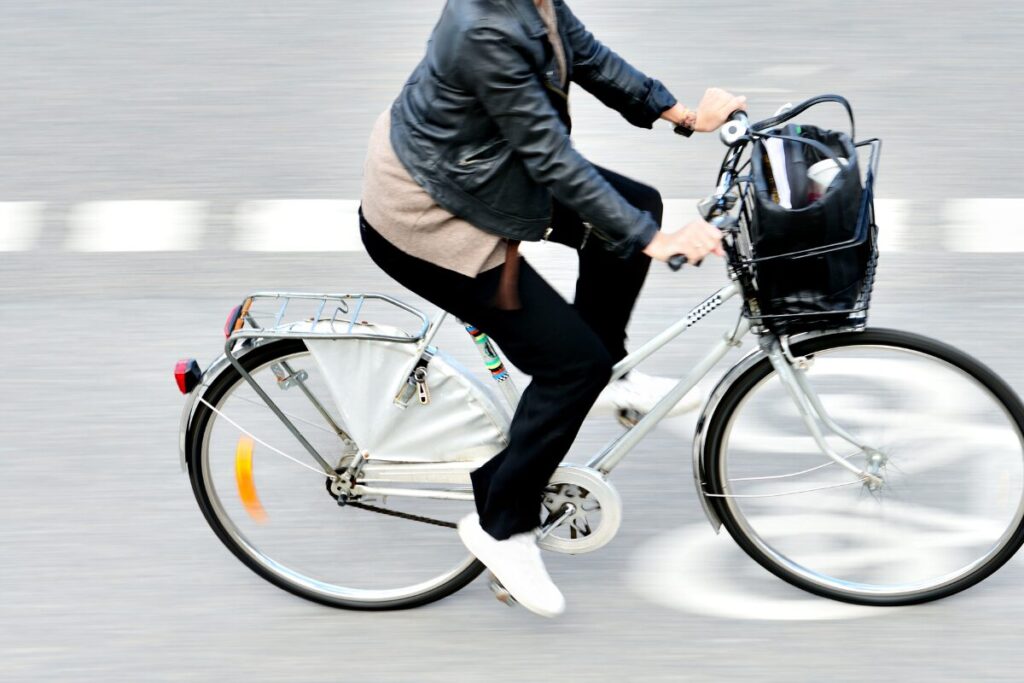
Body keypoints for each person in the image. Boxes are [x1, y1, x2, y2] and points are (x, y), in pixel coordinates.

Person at [359, 0, 745, 617]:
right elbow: (549, 156)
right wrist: (659, 241)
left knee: (634, 209)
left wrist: (685, 116)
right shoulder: (483, 29)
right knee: (572, 364)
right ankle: (500, 526)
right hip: (431, 219)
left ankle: (606, 370)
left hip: (481, 172)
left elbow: (585, 54)